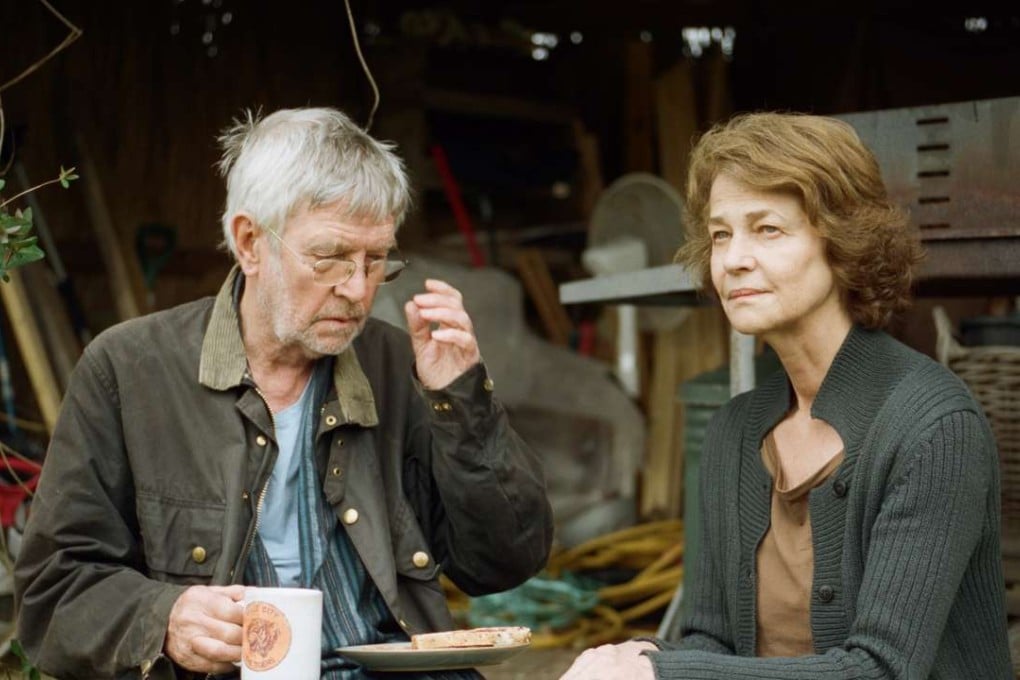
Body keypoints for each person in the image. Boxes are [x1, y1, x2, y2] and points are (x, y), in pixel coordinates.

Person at [14, 106, 554, 680]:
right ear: (250, 242)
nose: (357, 290)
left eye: (376, 260)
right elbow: (52, 595)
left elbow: (505, 562)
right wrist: (163, 618)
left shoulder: (402, 366)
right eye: (330, 258)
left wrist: (461, 401)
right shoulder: (128, 370)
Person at [560, 111, 1012, 679]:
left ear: (843, 242)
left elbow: (882, 670)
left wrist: (661, 674)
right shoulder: (733, 431)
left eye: (767, 229)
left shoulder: (934, 428)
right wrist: (637, 655)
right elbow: (712, 642)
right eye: (721, 234)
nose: (733, 259)